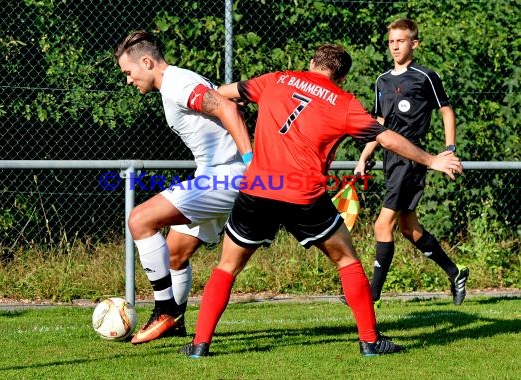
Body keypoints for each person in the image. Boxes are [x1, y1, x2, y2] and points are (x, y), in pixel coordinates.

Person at [179, 44, 463, 358]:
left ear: (311, 62)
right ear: (341, 76)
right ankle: (369, 342)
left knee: (227, 266)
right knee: (347, 261)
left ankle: (199, 344)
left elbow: (222, 94)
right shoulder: (343, 102)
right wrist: (430, 159)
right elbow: (385, 137)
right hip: (303, 194)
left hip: (259, 187)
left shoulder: (277, 79)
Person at [113, 30, 253, 344]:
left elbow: (226, 110)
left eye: (129, 72)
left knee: (139, 219)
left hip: (224, 176)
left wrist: (250, 161)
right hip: (217, 174)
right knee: (175, 254)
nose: (128, 80)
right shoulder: (180, 80)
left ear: (146, 62)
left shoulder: (176, 84)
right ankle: (174, 321)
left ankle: (164, 309)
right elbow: (223, 100)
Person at [354, 18, 469, 307]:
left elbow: (446, 111)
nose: (395, 46)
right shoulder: (382, 80)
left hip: (412, 159)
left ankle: (373, 294)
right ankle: (456, 272)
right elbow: (379, 124)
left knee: (382, 226)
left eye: (401, 41)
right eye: (391, 41)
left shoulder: (425, 76)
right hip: (390, 158)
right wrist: (364, 156)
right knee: (409, 227)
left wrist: (450, 150)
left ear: (413, 44)